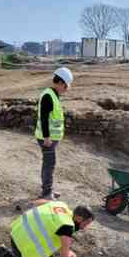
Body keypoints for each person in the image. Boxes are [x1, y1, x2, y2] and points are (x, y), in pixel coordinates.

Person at [0, 201, 94, 257]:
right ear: (79, 218)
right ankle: (5, 253)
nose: (86, 227)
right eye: (87, 223)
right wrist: (72, 256)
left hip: (18, 230)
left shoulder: (60, 205)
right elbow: (64, 255)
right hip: (21, 243)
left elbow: (38, 202)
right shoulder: (67, 226)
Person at [35, 67, 74, 200]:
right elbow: (44, 117)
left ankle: (48, 190)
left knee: (49, 164)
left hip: (50, 138)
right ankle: (46, 193)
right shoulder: (48, 96)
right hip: (46, 139)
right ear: (62, 83)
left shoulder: (53, 94)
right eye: (66, 86)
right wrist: (46, 137)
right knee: (49, 164)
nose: (67, 89)